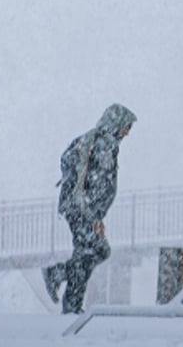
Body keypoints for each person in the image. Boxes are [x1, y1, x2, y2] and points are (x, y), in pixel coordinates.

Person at [42, 103, 136, 314]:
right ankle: (60, 282)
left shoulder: (95, 139)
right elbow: (99, 184)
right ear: (116, 123)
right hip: (82, 209)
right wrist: (94, 216)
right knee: (95, 251)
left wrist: (95, 214)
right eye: (126, 126)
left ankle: (70, 302)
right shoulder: (105, 145)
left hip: (76, 207)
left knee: (86, 254)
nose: (128, 132)